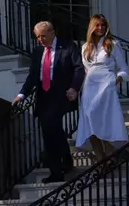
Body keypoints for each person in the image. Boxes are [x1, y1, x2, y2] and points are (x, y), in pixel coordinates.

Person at [12, 21, 85, 183]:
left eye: (43, 36)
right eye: (37, 37)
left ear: (52, 33)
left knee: (52, 126)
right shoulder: (38, 51)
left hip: (61, 94)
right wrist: (21, 95)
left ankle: (58, 170)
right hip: (43, 95)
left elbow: (79, 68)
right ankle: (62, 162)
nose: (40, 40)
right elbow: (32, 75)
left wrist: (74, 88)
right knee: (50, 131)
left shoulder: (67, 46)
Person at [75, 14, 129, 161]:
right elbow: (84, 70)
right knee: (90, 121)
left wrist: (119, 77)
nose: (100, 28)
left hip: (107, 84)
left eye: (103, 25)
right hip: (89, 85)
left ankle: (110, 154)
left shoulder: (113, 44)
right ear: (92, 27)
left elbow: (123, 67)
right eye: (97, 25)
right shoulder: (85, 47)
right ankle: (101, 159)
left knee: (104, 121)